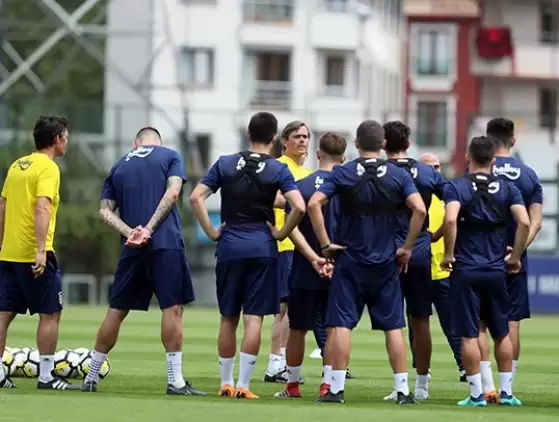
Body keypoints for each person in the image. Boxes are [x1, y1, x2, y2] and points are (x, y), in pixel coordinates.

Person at [308, 120, 426, 404]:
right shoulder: (398, 175)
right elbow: (419, 210)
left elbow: (313, 204)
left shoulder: (343, 172)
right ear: (383, 144)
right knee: (394, 326)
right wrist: (407, 248)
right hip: (385, 260)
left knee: (341, 325)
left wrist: (325, 245)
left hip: (350, 260)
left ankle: (336, 390)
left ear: (356, 144)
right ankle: (403, 391)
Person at [190, 112, 305, 399]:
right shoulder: (278, 169)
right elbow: (300, 207)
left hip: (229, 246)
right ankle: (243, 384)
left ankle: (225, 383)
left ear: (247, 134)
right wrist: (280, 233)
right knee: (254, 318)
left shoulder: (226, 162)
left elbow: (195, 198)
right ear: (275, 139)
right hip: (262, 247)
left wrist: (213, 231)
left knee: (228, 317)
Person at [82, 127, 204, 396]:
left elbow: (104, 211)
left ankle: (91, 375)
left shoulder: (119, 166)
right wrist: (148, 229)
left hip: (132, 248)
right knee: (172, 309)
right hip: (165, 244)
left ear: (134, 142)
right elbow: (173, 193)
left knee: (116, 309)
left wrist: (131, 233)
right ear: (157, 142)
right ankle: (175, 381)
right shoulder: (170, 156)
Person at [441, 136, 529, 407]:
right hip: (496, 270)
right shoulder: (508, 188)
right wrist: (514, 257)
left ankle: (477, 394)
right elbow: (525, 222)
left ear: (468, 157)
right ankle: (507, 393)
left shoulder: (457, 187)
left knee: (469, 333)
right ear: (493, 161)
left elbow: (450, 218)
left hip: (466, 270)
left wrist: (448, 254)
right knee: (501, 332)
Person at [0, 116, 79, 390]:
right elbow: (42, 207)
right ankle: (46, 376)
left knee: (3, 313)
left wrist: (2, 244)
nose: (67, 141)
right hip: (34, 253)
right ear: (57, 139)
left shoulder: (17, 166)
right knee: (51, 313)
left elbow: (3, 206)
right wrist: (41, 250)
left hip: (8, 253)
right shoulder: (48, 168)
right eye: (65, 137)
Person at [475, 118, 543, 403]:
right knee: (511, 323)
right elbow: (535, 223)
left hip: (477, 258)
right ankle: (507, 389)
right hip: (513, 262)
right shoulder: (528, 175)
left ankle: (483, 388)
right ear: (513, 141)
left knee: (477, 324)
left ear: (487, 140)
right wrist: (514, 253)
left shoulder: (478, 172)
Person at [273, 132, 345, 400]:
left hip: (304, 267)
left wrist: (312, 257)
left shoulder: (301, 185)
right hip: (337, 266)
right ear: (344, 157)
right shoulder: (347, 188)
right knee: (333, 327)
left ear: (317, 155)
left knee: (298, 328)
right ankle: (328, 384)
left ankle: (292, 386)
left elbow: (291, 228)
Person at [379, 121, 446, 400]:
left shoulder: (378, 172)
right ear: (409, 145)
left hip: (386, 252)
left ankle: (400, 387)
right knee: (421, 320)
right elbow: (456, 204)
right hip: (419, 252)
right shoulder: (427, 172)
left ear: (384, 144)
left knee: (394, 323)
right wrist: (437, 234)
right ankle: (421, 387)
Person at [265, 121, 312, 383]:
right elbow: (270, 196)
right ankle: (275, 363)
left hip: (301, 245)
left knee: (293, 308)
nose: (303, 141)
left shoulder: (304, 171)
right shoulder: (280, 166)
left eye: (306, 136)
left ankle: (281, 361)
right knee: (283, 308)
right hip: (284, 244)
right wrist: (295, 203)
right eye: (297, 136)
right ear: (285, 141)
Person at [418, 153, 465, 382]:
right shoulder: (414, 194)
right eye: (429, 167)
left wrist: (435, 238)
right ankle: (421, 373)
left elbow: (452, 223)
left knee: (452, 323)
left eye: (437, 167)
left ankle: (464, 367)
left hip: (444, 269)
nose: (434, 171)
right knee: (418, 323)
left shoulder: (449, 193)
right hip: (420, 268)